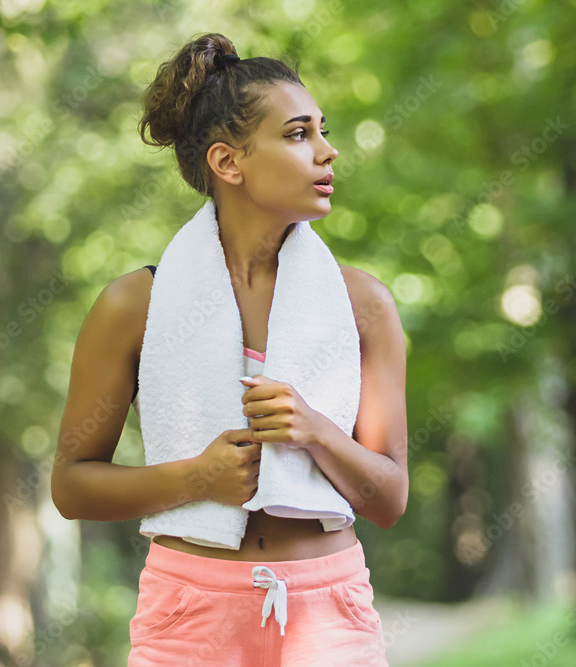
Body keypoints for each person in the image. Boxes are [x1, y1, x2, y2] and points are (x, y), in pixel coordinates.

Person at [51, 32, 408, 666]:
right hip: (190, 615)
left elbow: (390, 499)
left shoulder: (366, 306)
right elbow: (73, 488)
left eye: (322, 131)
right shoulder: (134, 306)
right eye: (299, 135)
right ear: (228, 162)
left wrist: (318, 432)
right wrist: (196, 479)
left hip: (329, 615)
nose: (328, 153)